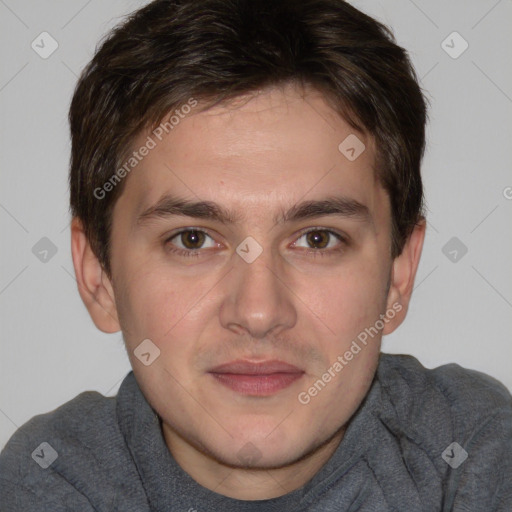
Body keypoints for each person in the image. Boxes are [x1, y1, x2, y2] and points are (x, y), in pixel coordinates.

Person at [1, 0, 511, 510]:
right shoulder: (46, 481)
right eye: (193, 239)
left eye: (317, 239)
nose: (259, 312)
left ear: (399, 276)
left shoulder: (474, 458)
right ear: (98, 276)